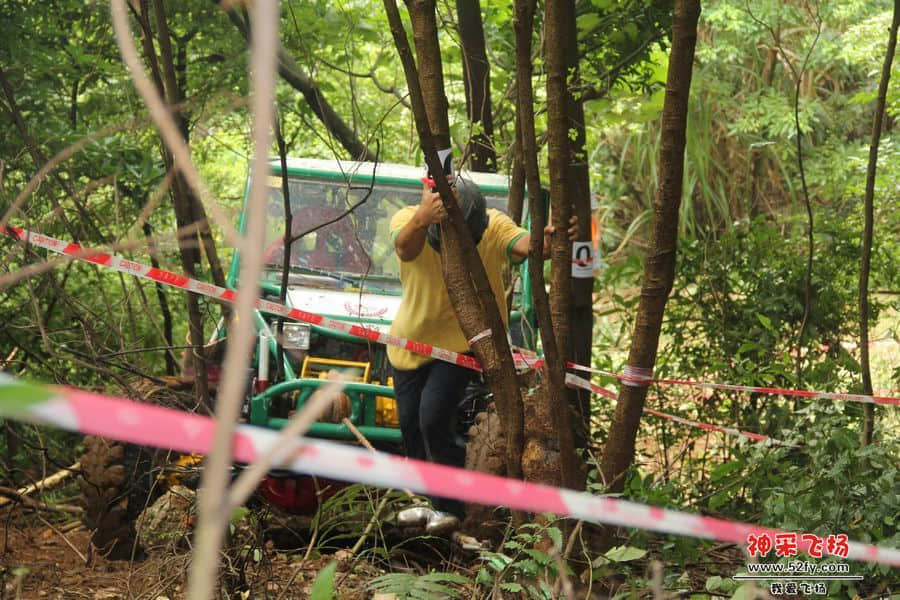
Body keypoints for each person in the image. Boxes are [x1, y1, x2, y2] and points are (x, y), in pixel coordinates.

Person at [388, 177, 572, 535]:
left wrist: (547, 242)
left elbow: (525, 246)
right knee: (410, 424)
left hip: (464, 346)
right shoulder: (411, 219)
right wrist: (423, 218)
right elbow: (404, 248)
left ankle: (450, 507)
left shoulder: (493, 223)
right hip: (409, 343)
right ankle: (423, 500)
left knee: (433, 415)